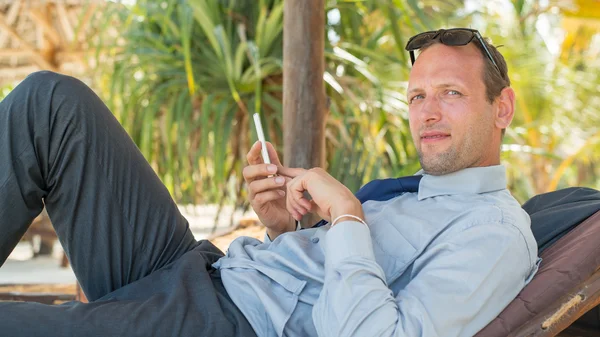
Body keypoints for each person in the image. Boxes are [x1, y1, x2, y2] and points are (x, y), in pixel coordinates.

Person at [0, 28, 538, 337]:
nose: (427, 113)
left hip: (228, 322)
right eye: (418, 96)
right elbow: (325, 285)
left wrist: (347, 215)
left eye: (451, 93)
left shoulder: (493, 232)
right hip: (205, 272)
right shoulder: (417, 194)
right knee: (51, 104)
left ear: (502, 107)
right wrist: (285, 228)